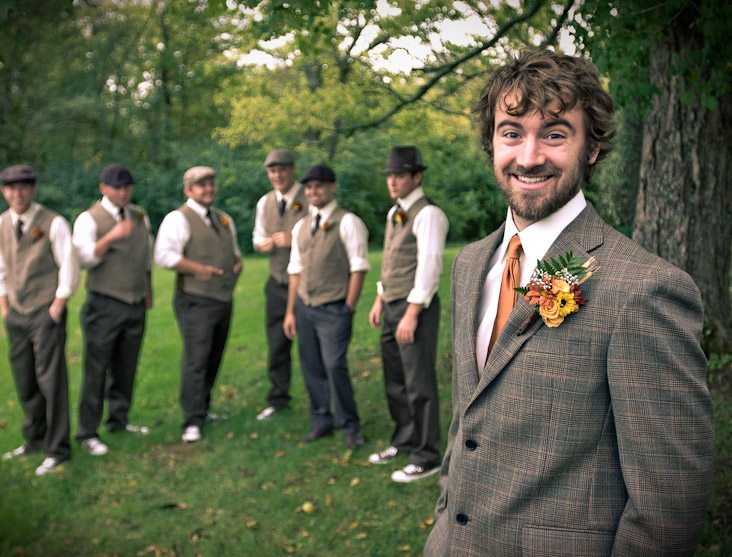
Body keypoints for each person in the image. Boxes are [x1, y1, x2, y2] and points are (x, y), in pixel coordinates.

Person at [424, 49, 713, 556]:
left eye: (555, 133)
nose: (529, 156)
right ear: (492, 142)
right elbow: (467, 419)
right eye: (511, 132)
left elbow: (669, 501)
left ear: (592, 148)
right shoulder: (469, 264)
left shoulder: (643, 289)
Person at [0, 164, 79, 476]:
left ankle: (58, 449)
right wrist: (4, 307)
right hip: (15, 313)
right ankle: (35, 439)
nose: (17, 193)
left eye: (23, 186)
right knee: (25, 378)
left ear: (33, 188)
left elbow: (69, 264)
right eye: (11, 188)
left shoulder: (54, 223)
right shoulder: (0, 224)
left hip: (46, 310)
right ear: (4, 191)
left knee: (51, 381)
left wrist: (58, 304)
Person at [368, 146, 448, 483]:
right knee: (395, 379)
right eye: (390, 175)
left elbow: (430, 267)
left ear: (417, 177)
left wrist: (412, 313)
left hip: (415, 308)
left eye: (399, 175)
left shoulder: (428, 214)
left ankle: (427, 455)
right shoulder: (393, 214)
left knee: (418, 383)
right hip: (391, 305)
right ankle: (404, 441)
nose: (393, 181)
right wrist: (379, 297)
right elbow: (391, 260)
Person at [283, 164, 369, 449]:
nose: (313, 191)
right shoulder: (300, 226)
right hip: (305, 306)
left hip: (334, 308)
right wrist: (291, 311)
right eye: (308, 187)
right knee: (311, 366)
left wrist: (348, 308)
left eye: (319, 186)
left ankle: (349, 424)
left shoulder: (348, 222)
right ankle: (321, 420)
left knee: (334, 366)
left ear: (332, 187)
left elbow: (359, 267)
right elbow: (294, 269)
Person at [154, 166, 242, 443]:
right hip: (194, 299)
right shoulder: (177, 219)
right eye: (201, 185)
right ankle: (191, 420)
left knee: (214, 356)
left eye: (211, 184)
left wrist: (237, 262)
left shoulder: (223, 219)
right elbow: (164, 255)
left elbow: (234, 251)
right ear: (188, 190)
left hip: (222, 298)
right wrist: (197, 268)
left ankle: (202, 409)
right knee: (197, 358)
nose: (208, 189)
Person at [72, 163, 153, 456]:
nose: (123, 192)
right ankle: (87, 432)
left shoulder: (139, 215)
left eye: (127, 187)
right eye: (117, 187)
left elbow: (146, 257)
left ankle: (119, 420)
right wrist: (111, 237)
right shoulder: (88, 219)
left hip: (134, 303)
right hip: (104, 302)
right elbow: (82, 259)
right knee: (97, 368)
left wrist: (148, 291)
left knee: (126, 365)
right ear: (103, 188)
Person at [252, 148, 308, 421]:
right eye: (272, 171)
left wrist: (293, 240)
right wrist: (263, 244)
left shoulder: (309, 196)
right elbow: (257, 237)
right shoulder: (265, 202)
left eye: (282, 169)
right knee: (277, 343)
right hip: (277, 281)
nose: (277, 175)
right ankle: (278, 398)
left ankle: (320, 398)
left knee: (312, 343)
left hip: (309, 283)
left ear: (292, 169)